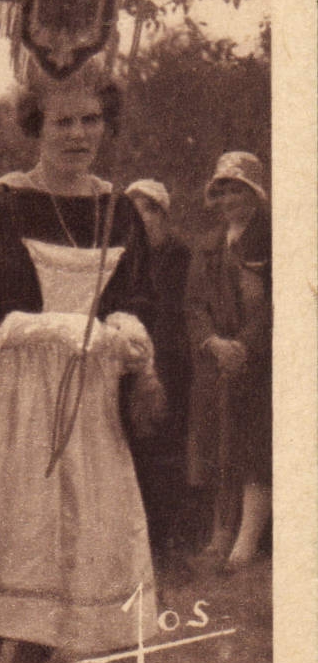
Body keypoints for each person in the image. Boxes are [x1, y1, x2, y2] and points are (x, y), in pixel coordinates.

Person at [0, 79, 163, 663]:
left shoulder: (122, 210)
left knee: (73, 548)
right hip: (8, 395)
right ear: (36, 126)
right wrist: (55, 326)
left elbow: (135, 291)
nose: (79, 135)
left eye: (91, 121)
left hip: (87, 405)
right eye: (63, 122)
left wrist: (128, 327)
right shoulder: (2, 207)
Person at [185, 152, 272, 574]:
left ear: (254, 193)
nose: (229, 199)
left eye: (238, 189)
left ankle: (249, 536)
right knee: (220, 445)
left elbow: (274, 304)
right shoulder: (208, 245)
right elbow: (194, 304)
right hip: (216, 360)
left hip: (258, 360)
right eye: (222, 191)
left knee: (255, 444)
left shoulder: (271, 239)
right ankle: (221, 532)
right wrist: (213, 344)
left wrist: (246, 347)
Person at [123, 180, 196, 556]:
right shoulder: (126, 258)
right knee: (134, 446)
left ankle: (169, 536)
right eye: (133, 214)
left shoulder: (180, 255)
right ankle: (143, 536)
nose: (141, 221)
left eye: (148, 212)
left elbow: (178, 312)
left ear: (163, 216)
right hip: (132, 357)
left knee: (167, 445)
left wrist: (158, 366)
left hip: (172, 359)